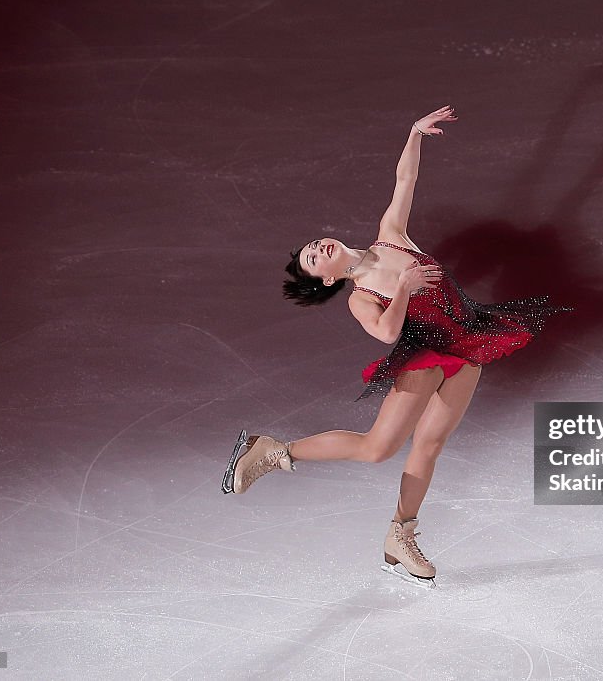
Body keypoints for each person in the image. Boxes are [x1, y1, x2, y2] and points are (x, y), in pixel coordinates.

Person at [221, 106, 570, 588]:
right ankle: (274, 449)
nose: (318, 247)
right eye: (311, 258)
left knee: (431, 445)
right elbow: (387, 333)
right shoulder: (361, 299)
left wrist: (414, 134)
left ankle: (399, 536)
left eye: (315, 243)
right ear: (325, 279)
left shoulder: (391, 238)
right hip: (426, 357)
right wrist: (403, 285)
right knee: (378, 449)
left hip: (469, 343)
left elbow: (404, 181)